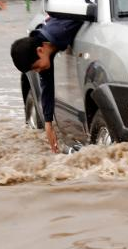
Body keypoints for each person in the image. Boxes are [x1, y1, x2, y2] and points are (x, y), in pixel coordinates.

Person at [10, 17, 83, 153]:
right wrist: (48, 124)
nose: (38, 71)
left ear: (40, 51)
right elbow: (47, 89)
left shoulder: (60, 31)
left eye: (36, 67)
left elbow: (86, 13)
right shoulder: (46, 48)